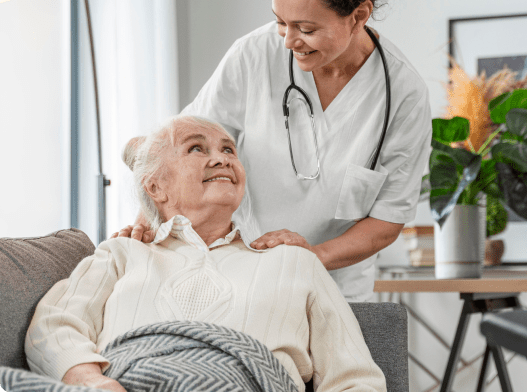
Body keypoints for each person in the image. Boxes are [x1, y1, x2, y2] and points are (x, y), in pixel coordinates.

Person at [113, 0, 432, 302]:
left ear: (359, 15)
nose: (287, 40)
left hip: (334, 288)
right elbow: (181, 149)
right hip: (234, 270)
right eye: (281, 21)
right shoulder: (254, 54)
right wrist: (146, 221)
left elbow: (385, 223)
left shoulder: (403, 95)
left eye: (306, 28)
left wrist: (309, 257)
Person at [25, 115, 386, 392]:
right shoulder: (121, 253)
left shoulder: (293, 260)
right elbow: (53, 326)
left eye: (228, 149)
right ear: (156, 186)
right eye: (197, 148)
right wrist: (92, 381)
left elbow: (354, 376)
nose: (222, 159)